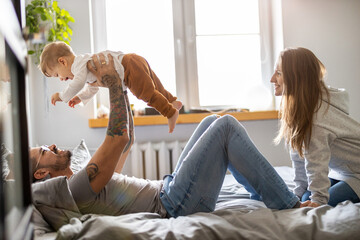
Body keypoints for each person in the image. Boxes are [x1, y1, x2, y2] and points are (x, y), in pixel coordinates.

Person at [30, 53, 300, 220]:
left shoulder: (85, 179)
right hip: (174, 204)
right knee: (226, 126)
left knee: (211, 121)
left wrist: (122, 86)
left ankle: (260, 191)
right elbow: (117, 139)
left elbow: (126, 142)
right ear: (41, 175)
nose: (51, 145)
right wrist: (111, 82)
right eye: (44, 151)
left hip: (168, 189)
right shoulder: (75, 189)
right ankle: (290, 204)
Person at [271, 47, 360, 207]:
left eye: (278, 73)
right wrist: (298, 194)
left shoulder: (317, 116)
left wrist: (318, 201)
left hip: (357, 175)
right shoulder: (300, 109)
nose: (272, 79)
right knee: (304, 199)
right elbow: (299, 157)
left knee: (310, 204)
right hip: (342, 173)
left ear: (295, 77)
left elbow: (316, 162)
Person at [39, 41, 182, 133]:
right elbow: (93, 87)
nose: (62, 79)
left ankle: (169, 112)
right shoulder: (84, 65)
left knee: (146, 94)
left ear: (62, 61)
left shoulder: (78, 66)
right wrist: (79, 98)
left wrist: (61, 96)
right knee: (156, 87)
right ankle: (172, 101)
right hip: (132, 60)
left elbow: (78, 83)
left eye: (58, 75)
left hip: (128, 68)